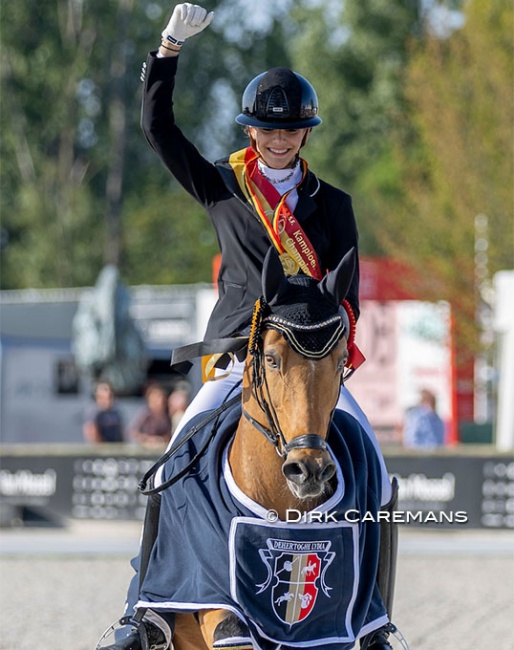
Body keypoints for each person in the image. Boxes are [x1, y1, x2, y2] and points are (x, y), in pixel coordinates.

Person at [104, 4, 398, 649]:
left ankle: (375, 617)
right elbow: (159, 130)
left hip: (313, 358)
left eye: (291, 131)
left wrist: (334, 350)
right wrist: (170, 48)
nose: (279, 139)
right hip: (241, 353)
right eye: (268, 129)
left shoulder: (335, 206)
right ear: (252, 130)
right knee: (175, 455)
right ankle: (142, 610)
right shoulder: (223, 187)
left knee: (373, 459)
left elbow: (347, 293)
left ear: (305, 134)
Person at [130, 383, 172, 447]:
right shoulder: (144, 415)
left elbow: (170, 435)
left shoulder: (168, 416)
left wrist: (161, 440)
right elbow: (134, 433)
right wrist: (147, 439)